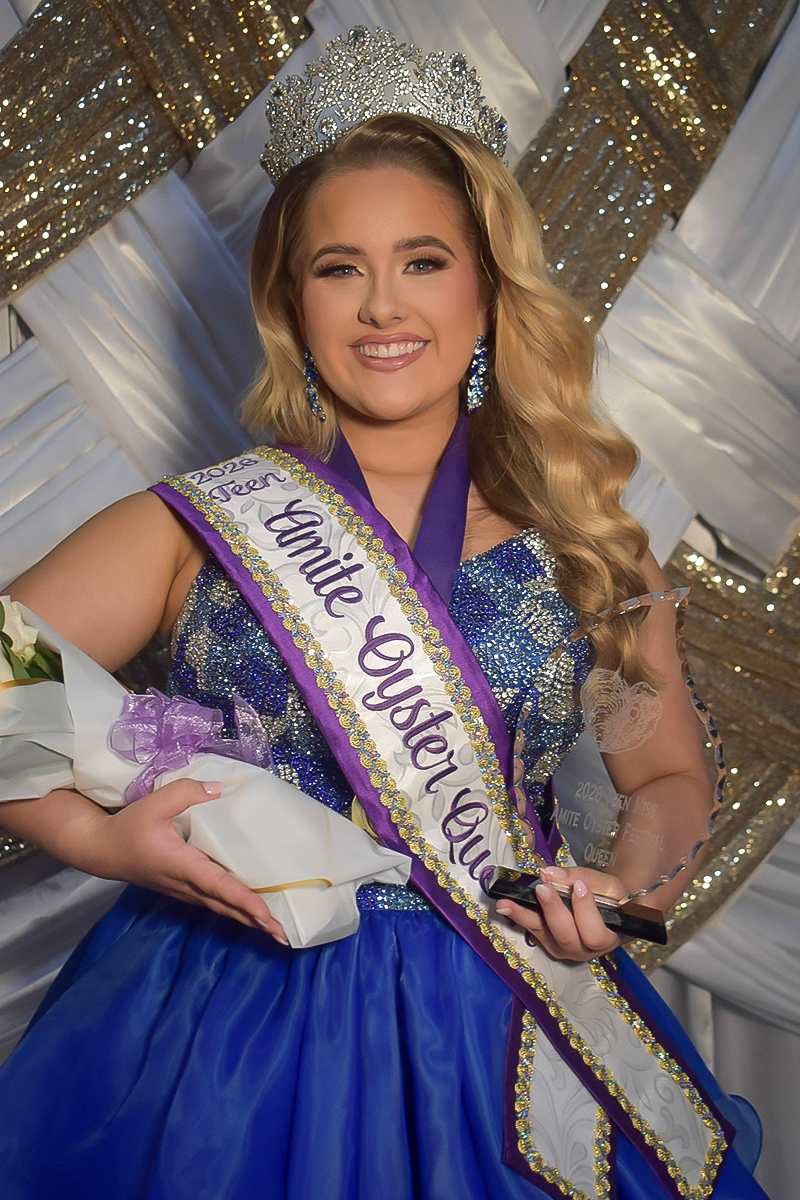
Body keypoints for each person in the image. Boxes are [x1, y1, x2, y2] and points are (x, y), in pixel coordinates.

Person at [0, 27, 768, 1200]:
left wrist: (629, 890)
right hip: (229, 1014)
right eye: (336, 267)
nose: (379, 307)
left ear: (484, 287)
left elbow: (663, 783)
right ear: (287, 299)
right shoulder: (196, 527)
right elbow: (3, 670)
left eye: (421, 260)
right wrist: (99, 839)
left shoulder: (585, 548)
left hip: (505, 999)